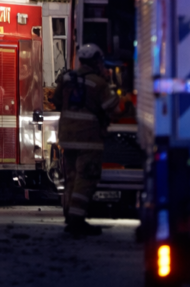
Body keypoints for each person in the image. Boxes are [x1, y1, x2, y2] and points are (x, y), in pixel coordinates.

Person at [53, 43, 120, 237]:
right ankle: (77, 220)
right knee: (86, 178)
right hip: (88, 138)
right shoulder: (98, 83)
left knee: (72, 177)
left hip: (66, 137)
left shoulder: (65, 79)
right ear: (95, 62)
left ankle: (71, 216)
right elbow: (113, 108)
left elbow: (56, 101)